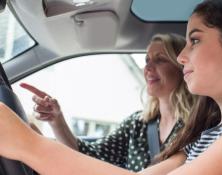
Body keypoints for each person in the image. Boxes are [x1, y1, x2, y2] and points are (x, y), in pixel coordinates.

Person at [0, 0, 222, 174]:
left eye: (195, 40)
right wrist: (33, 140)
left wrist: (28, 144)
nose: (182, 57)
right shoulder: (207, 136)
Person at [19, 33, 196, 171]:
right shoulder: (138, 123)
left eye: (160, 59)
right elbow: (91, 156)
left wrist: (35, 145)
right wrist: (56, 121)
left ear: (181, 67)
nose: (148, 67)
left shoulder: (196, 126)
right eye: (147, 60)